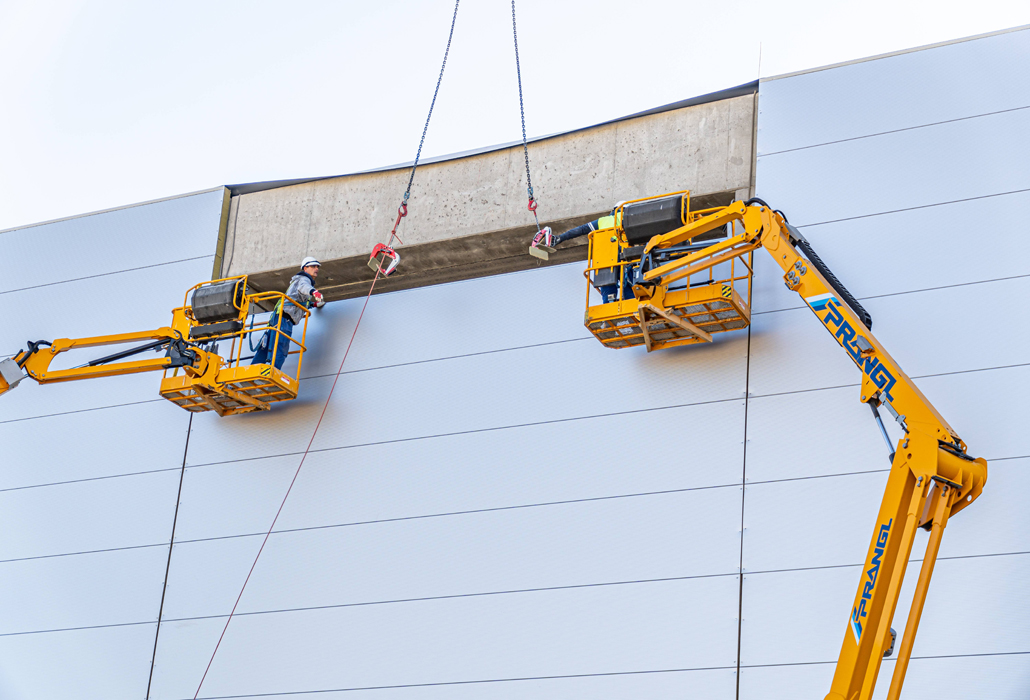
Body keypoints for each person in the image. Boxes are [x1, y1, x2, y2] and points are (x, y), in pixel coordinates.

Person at [251, 256, 326, 370]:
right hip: (284, 319)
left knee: (266, 347)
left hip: (279, 317)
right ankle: (274, 372)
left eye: (317, 267)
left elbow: (298, 301)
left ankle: (253, 371)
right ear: (305, 268)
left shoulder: (300, 280)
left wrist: (313, 304)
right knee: (281, 346)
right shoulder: (303, 279)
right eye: (313, 266)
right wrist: (314, 292)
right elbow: (304, 287)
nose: (317, 269)